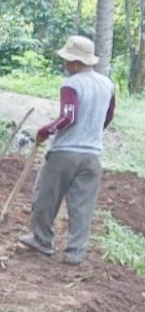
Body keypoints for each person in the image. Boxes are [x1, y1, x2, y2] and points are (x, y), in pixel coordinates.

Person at [19, 35, 115, 266]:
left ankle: (42, 240)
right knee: (82, 206)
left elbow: (69, 117)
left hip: (64, 153)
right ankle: (75, 253)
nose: (65, 64)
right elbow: (109, 116)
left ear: (74, 62)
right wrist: (92, 133)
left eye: (67, 60)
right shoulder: (107, 84)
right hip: (92, 155)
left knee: (45, 197)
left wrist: (45, 130)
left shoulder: (71, 84)